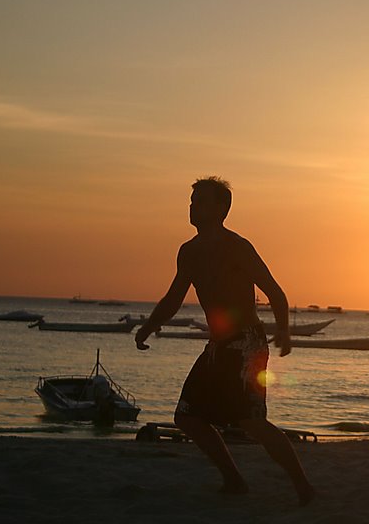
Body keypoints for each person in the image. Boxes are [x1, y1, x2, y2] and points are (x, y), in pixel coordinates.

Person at [135, 176, 315, 506]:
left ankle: (303, 486)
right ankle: (233, 479)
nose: (193, 206)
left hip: (246, 343)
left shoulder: (237, 247)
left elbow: (274, 292)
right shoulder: (188, 252)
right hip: (217, 347)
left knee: (250, 420)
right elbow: (174, 298)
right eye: (192, 201)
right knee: (187, 416)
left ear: (222, 208)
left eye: (201, 201)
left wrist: (285, 330)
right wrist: (148, 326)